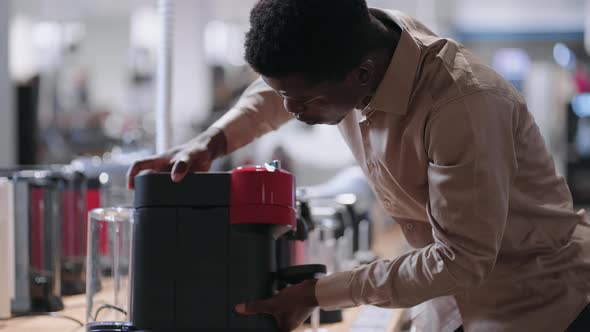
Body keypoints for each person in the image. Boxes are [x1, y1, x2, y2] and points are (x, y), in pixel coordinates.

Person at [127, 0, 590, 331]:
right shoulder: (367, 47)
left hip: (533, 299)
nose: (292, 111)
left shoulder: (462, 107)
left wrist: (317, 293)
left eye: (303, 100)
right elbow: (276, 91)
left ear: (362, 76)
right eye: (287, 96)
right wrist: (213, 140)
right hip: (448, 292)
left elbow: (461, 260)